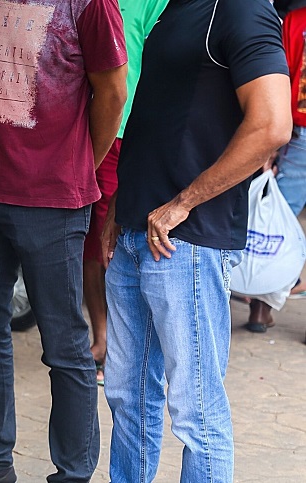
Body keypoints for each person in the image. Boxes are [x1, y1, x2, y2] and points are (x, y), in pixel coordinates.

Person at [101, 0, 291, 481]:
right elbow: (160, 116)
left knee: (195, 409)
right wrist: (122, 206)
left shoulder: (240, 8)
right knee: (128, 395)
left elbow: (271, 123)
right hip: (137, 230)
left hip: (187, 243)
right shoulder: (172, 8)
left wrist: (185, 201)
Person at [0, 1, 127, 482]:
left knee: (65, 346)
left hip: (53, 200)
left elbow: (112, 92)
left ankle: (72, 473)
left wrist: (80, 166)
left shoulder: (90, 4)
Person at [83, 0, 169, 386]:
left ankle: (122, 343)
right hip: (82, 126)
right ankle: (100, 337)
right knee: (87, 238)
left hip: (129, 129)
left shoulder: (156, 2)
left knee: (115, 237)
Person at [247, 6, 306, 333]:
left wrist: (270, 146)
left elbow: (279, 78)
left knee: (278, 215)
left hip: (299, 135)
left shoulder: (296, 20)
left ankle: (260, 308)